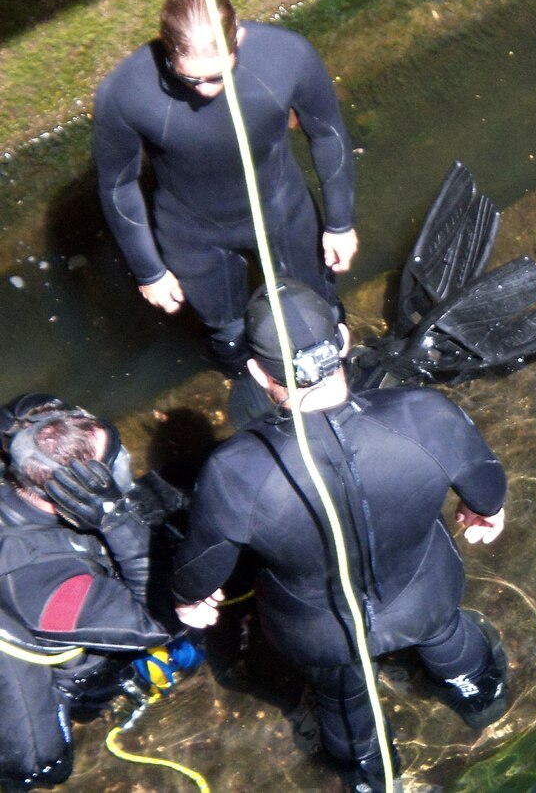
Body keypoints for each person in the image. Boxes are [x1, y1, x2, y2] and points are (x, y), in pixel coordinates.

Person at [171, 280, 511, 791]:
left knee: (341, 692)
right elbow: (488, 492)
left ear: (258, 371)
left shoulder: (234, 470)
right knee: (446, 633)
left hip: (319, 629)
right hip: (425, 593)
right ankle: (482, 700)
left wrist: (188, 602)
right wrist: (486, 511)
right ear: (346, 342)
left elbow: (199, 575)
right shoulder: (425, 413)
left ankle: (373, 772)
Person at [92, 0, 357, 372]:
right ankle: (247, 388)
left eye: (217, 75)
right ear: (168, 52)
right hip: (194, 233)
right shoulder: (125, 92)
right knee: (228, 335)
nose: (205, 91)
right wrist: (149, 269)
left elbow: (328, 134)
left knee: (321, 313)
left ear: (240, 40)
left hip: (282, 208)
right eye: (190, 79)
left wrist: (340, 223)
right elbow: (118, 183)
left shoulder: (287, 56)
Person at [0, 395, 185, 788]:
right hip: (67, 661)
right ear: (75, 493)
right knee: (186, 641)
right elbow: (158, 621)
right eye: (109, 461)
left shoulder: (21, 464)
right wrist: (115, 519)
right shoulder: (46, 585)